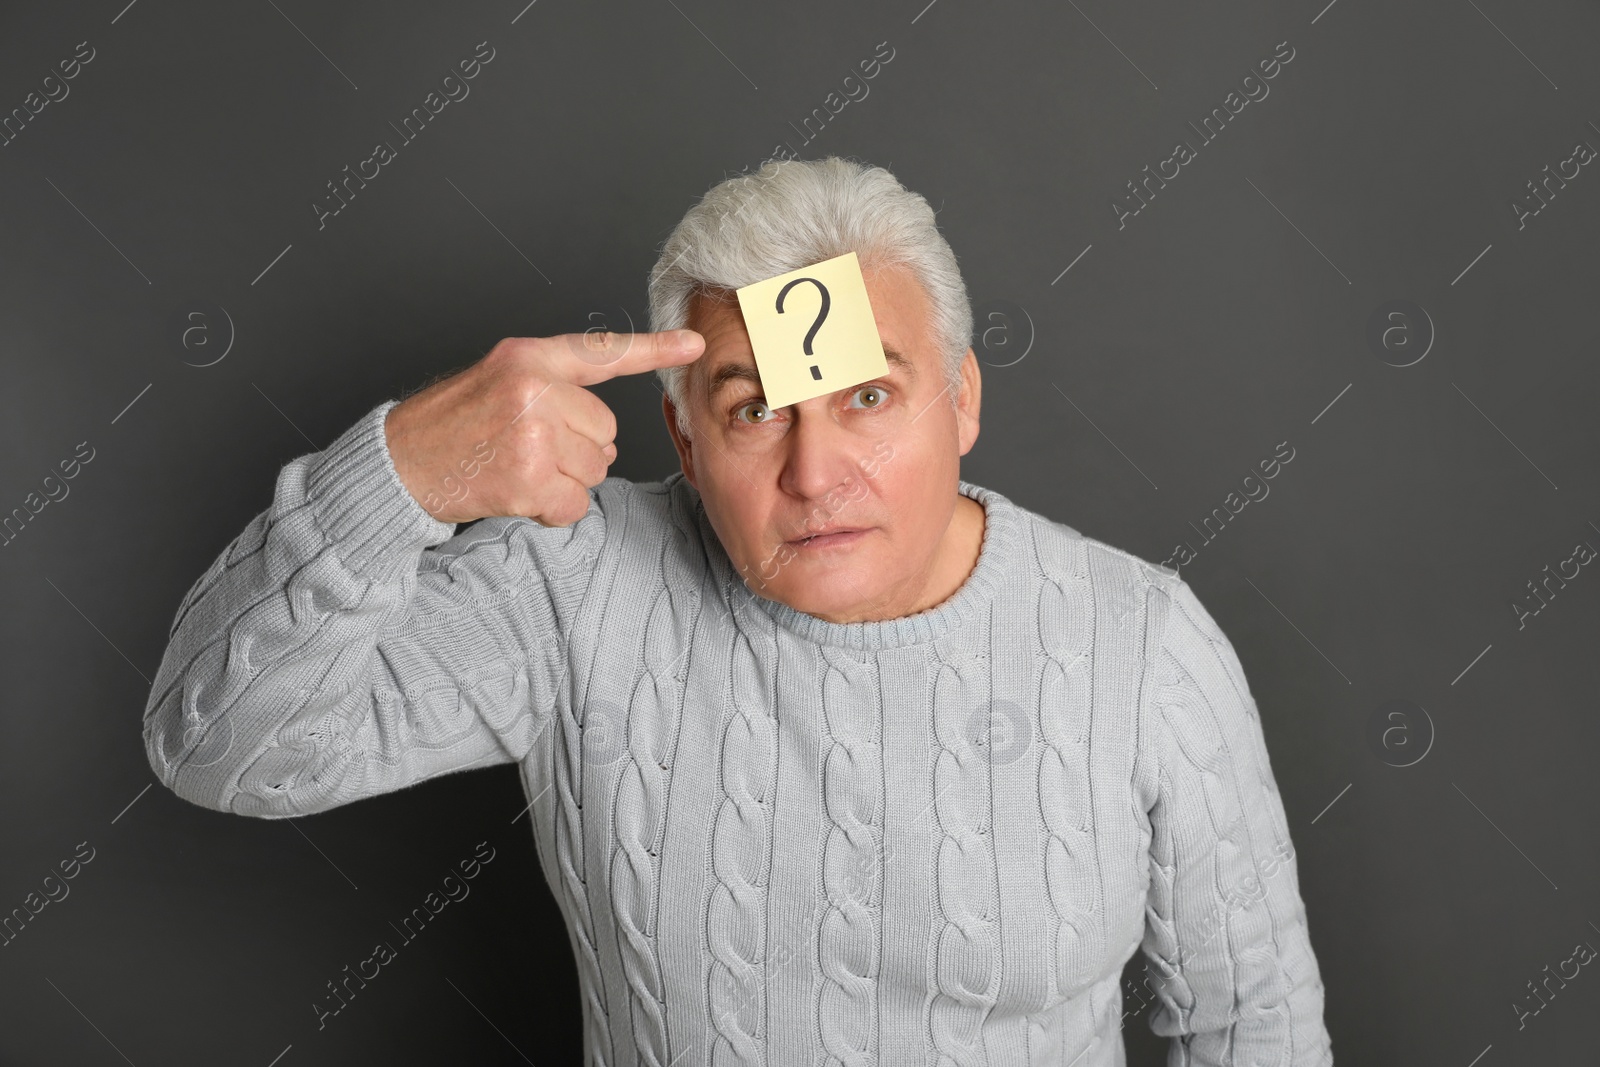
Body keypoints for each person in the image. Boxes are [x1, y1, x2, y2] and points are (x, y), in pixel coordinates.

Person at [143, 156, 1334, 1066]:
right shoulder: (573, 586)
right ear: (684, 435)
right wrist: (394, 474)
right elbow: (218, 745)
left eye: (868, 395)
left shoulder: (1140, 640)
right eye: (756, 409)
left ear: (961, 400)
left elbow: (1253, 1022)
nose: (816, 474)